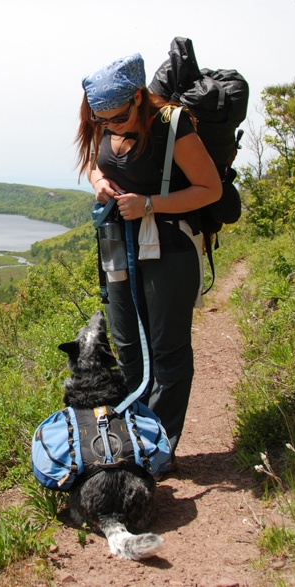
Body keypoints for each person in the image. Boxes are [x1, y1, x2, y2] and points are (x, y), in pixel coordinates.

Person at [75, 53, 222, 455]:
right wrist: (100, 180)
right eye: (99, 120)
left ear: (139, 98)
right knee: (127, 348)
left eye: (117, 119)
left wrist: (149, 205)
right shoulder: (107, 121)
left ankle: (159, 447)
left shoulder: (172, 127)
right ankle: (137, 438)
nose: (108, 126)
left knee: (167, 349)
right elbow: (92, 162)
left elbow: (210, 189)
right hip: (118, 245)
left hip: (169, 247)